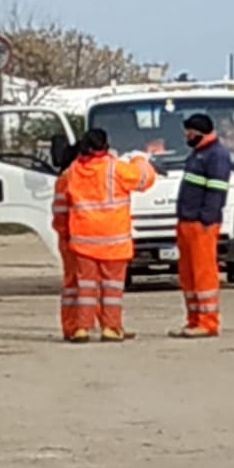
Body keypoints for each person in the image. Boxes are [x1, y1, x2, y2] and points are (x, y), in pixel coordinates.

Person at [60, 128, 156, 342]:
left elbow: (64, 195)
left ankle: (82, 328)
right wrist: (139, 159)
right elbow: (145, 179)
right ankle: (111, 328)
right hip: (114, 240)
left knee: (86, 287)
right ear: (105, 146)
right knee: (112, 288)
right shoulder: (116, 168)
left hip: (83, 240)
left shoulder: (73, 171)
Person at [171, 113, 234, 339]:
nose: (186, 135)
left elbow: (217, 192)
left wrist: (206, 219)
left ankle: (208, 323)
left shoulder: (216, 155)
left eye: (189, 131)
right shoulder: (198, 154)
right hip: (187, 222)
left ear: (199, 132)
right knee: (188, 275)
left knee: (203, 274)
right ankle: (194, 320)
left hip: (201, 225)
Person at [51, 135, 85, 340]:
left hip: (75, 238)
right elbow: (61, 214)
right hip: (74, 239)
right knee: (76, 284)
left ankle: (77, 326)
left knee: (82, 285)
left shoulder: (69, 176)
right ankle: (73, 326)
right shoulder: (69, 178)